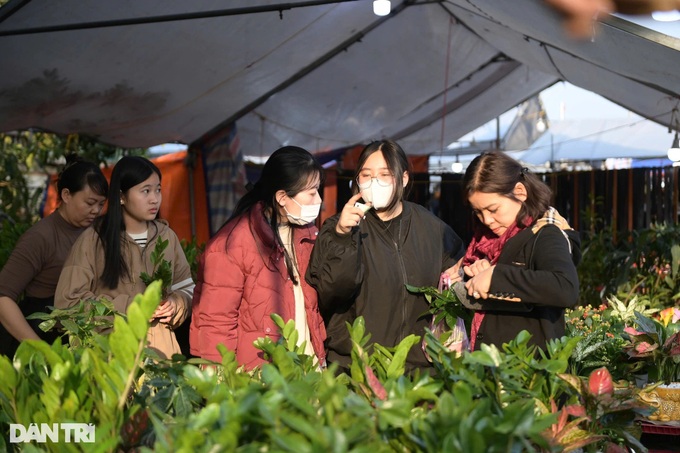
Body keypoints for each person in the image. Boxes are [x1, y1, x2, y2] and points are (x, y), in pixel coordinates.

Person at [306, 139, 465, 374]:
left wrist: (460, 275)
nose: (374, 182)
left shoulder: (431, 227)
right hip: (357, 367)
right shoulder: (337, 227)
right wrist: (342, 237)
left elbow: (459, 269)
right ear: (357, 180)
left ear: (404, 179)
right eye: (367, 175)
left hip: (419, 368)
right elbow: (331, 292)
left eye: (384, 175)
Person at [190, 146, 327, 369]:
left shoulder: (308, 235)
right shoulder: (231, 244)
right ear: (282, 197)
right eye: (312, 193)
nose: (318, 200)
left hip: (307, 372)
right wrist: (219, 383)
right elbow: (215, 323)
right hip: (260, 378)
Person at [55, 156, 194, 359]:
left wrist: (177, 304)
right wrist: (131, 306)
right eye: (145, 191)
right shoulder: (94, 239)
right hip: (111, 358)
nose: (155, 198)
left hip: (161, 357)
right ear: (121, 196)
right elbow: (67, 304)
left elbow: (188, 287)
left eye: (158, 189)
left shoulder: (167, 237)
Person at [450, 150, 580, 351]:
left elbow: (565, 287)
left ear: (520, 192)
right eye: (478, 212)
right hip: (489, 368)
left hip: (529, 371)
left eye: (493, 209)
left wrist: (496, 276)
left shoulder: (544, 234)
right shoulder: (488, 240)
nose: (486, 220)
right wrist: (477, 271)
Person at [0, 155, 108, 357]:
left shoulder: (96, 232)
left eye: (101, 204)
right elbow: (3, 297)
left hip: (82, 336)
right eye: (90, 202)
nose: (96, 210)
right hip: (42, 334)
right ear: (66, 195)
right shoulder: (40, 237)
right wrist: (38, 347)